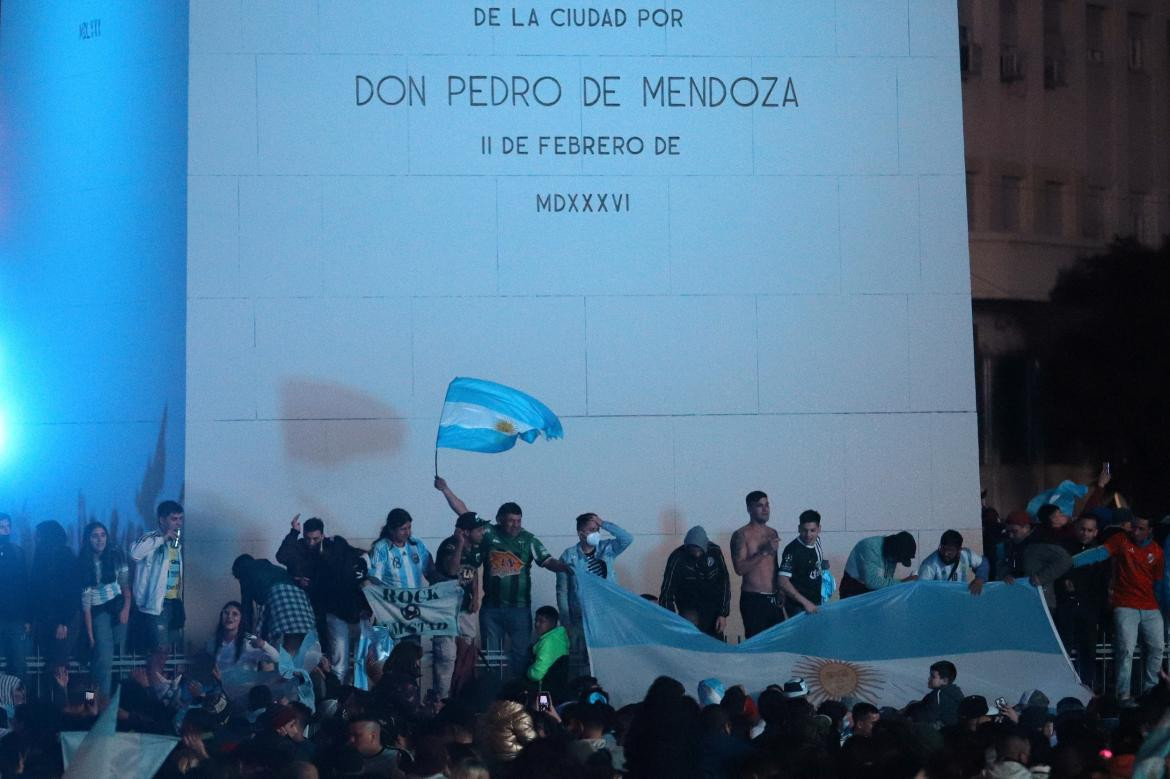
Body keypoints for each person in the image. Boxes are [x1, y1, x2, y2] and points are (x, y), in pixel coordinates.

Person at [433, 477, 571, 679]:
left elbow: (548, 561)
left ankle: (518, 696)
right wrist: (445, 489)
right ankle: (493, 696)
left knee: (520, 656)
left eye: (519, 520)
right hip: (492, 608)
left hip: (519, 608)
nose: (516, 525)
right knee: (492, 657)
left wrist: (565, 568)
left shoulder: (528, 539)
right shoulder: (487, 533)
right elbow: (464, 512)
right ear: (500, 520)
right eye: (511, 521)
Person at [1070, 514, 1164, 702]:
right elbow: (1099, 552)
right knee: (1125, 650)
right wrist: (1072, 561)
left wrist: (1163, 607)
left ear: (1150, 531)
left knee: (1157, 649)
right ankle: (1123, 694)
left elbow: (1159, 583)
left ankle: (1150, 691)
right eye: (1133, 527)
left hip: (1151, 606)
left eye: (1140, 529)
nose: (1135, 531)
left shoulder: (1157, 551)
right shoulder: (1120, 540)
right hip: (1125, 604)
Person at [276, 513, 368, 683]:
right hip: (312, 609)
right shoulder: (300, 546)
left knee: (344, 655)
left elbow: (356, 558)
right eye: (308, 538)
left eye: (315, 539)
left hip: (336, 606)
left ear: (322, 536)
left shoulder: (334, 547)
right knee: (327, 656)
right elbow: (281, 556)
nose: (311, 543)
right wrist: (293, 533)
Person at [556, 512, 634, 677]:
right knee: (580, 660)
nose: (596, 533)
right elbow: (562, 591)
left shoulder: (607, 549)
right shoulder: (568, 556)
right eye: (592, 529)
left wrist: (603, 523)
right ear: (581, 533)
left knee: (607, 658)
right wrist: (566, 621)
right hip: (581, 617)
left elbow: (627, 538)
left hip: (606, 614)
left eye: (597, 529)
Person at [432, 511, 491, 701]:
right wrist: (459, 544)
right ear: (465, 532)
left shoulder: (477, 547)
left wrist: (476, 595)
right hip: (446, 609)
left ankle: (461, 694)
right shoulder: (449, 545)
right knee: (447, 656)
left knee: (467, 652)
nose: (482, 532)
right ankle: (442, 699)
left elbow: (473, 571)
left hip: (466, 607)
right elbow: (451, 569)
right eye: (478, 529)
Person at [1055, 513, 1108, 690]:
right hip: (1068, 605)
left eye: (1089, 530)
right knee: (1065, 648)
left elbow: (1102, 584)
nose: (1085, 533)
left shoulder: (1101, 553)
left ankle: (1088, 686)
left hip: (1089, 607)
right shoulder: (1065, 548)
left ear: (1095, 532)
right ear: (1076, 528)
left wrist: (1100, 613)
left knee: (1088, 650)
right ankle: (1064, 685)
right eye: (1082, 529)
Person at [79, 521, 131, 698]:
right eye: (95, 535)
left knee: (113, 661)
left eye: (103, 535)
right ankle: (97, 703)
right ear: (88, 539)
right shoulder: (84, 563)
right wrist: (91, 635)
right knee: (102, 662)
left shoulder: (116, 556)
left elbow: (125, 586)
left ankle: (102, 702)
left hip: (117, 607)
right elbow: (86, 605)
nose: (100, 539)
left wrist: (126, 609)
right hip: (97, 611)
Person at [232, 554, 318, 656]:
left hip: (279, 598)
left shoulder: (245, 572)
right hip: (301, 600)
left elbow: (247, 608)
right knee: (300, 642)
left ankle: (286, 669)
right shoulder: (274, 568)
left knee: (280, 647)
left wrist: (246, 635)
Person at [130, 500, 185, 651]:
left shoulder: (177, 543)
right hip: (155, 605)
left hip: (173, 602)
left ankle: (162, 675)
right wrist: (162, 539)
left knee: (170, 649)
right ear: (162, 519)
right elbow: (134, 554)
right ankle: (152, 675)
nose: (178, 523)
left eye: (180, 519)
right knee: (160, 649)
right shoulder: (150, 538)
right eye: (174, 519)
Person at [659, 526, 731, 638]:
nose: (697, 554)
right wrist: (674, 620)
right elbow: (666, 592)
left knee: (715, 649)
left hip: (712, 611)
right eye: (693, 550)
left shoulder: (715, 552)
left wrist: (723, 614)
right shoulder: (677, 558)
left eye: (699, 550)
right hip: (688, 611)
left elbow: (724, 582)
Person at [730, 491, 783, 638]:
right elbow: (739, 569)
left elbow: (775, 566)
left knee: (778, 644)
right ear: (749, 509)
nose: (765, 509)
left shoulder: (773, 533)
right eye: (760, 506)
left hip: (774, 597)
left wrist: (780, 590)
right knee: (758, 647)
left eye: (767, 505)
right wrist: (764, 552)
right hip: (753, 599)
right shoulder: (741, 535)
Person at [997, 510, 1073, 609]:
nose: (1011, 535)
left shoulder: (1041, 542)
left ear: (1027, 528)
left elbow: (1066, 559)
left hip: (1041, 600)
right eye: (1008, 532)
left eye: (1014, 531)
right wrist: (1005, 574)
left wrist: (1041, 577)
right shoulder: (1010, 545)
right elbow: (1001, 564)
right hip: (1020, 598)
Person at [30, 520, 80, 667]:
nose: (36, 539)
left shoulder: (64, 556)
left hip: (62, 618)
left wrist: (64, 622)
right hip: (48, 618)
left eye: (38, 536)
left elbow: (72, 591)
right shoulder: (42, 556)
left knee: (58, 663)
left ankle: (60, 690)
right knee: (52, 662)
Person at [206, 601, 280, 675]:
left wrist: (263, 644)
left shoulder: (249, 638)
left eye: (235, 614)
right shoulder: (213, 642)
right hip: (221, 684)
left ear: (241, 619)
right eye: (226, 613)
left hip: (245, 684)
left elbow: (276, 658)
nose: (229, 616)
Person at [777, 510, 827, 615]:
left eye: (812, 530)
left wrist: (823, 566)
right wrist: (805, 603)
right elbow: (782, 581)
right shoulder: (792, 550)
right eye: (805, 530)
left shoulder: (817, 540)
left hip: (816, 601)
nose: (808, 535)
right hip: (799, 606)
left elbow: (814, 562)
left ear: (819, 529)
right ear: (799, 529)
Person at [840, 531, 917, 598]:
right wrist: (902, 582)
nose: (897, 562)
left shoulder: (891, 553)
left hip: (870, 592)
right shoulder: (870, 547)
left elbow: (887, 581)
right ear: (895, 552)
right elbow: (872, 582)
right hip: (852, 591)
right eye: (898, 559)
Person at [0, 513, 29, 681]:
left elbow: (24, 586)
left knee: (18, 664)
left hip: (15, 617)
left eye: (7, 526)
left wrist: (27, 618)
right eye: (1, 527)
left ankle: (20, 705)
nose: (5, 530)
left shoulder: (18, 552)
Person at [917, 530, 989, 595]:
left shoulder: (966, 555)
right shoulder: (929, 564)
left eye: (950, 550)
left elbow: (983, 564)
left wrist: (980, 579)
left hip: (961, 599)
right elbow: (922, 589)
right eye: (943, 548)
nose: (946, 553)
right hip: (940, 602)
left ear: (959, 550)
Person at [526, 606, 569, 699]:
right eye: (536, 620)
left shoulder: (547, 643)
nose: (537, 624)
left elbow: (537, 674)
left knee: (543, 711)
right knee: (550, 711)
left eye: (541, 621)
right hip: (558, 689)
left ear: (552, 622)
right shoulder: (560, 637)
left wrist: (528, 672)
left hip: (544, 691)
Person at [919, 660, 963, 728]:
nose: (929, 678)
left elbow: (929, 717)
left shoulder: (938, 694)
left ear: (944, 681)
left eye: (933, 676)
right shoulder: (957, 692)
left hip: (941, 732)